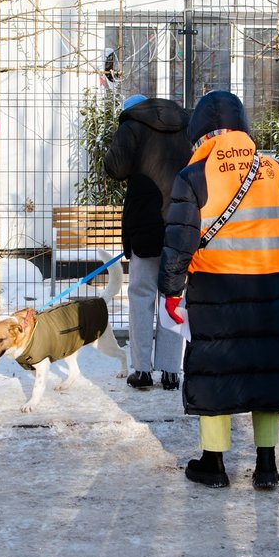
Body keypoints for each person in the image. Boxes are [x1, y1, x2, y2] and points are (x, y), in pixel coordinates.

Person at [159, 90, 279, 490]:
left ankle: (214, 463)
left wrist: (171, 291)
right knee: (266, 368)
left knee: (214, 369)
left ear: (199, 130)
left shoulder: (194, 174)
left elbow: (179, 240)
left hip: (215, 286)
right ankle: (267, 465)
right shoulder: (272, 168)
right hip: (268, 283)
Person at [104, 94, 191, 391]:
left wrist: (123, 134)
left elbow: (114, 168)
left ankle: (142, 371)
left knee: (141, 297)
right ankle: (170, 371)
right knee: (173, 296)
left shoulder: (132, 125)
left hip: (144, 223)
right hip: (180, 220)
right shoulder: (185, 124)